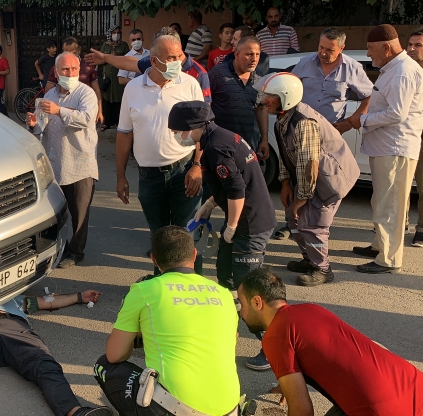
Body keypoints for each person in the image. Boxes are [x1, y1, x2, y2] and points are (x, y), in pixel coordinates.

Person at [171, 100, 275, 372]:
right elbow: (226, 186)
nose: (177, 136)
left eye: (178, 131)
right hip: (244, 220)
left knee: (248, 288)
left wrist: (231, 225)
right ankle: (229, 331)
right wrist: (208, 206)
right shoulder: (219, 138)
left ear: (193, 127)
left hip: (250, 225)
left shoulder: (216, 146)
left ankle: (272, 346)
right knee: (226, 277)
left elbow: (237, 188)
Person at [93, 226, 241, 416]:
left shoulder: (144, 290)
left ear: (154, 259)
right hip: (229, 409)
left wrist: (139, 337)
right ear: (194, 255)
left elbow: (115, 355)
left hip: (177, 410)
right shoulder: (224, 294)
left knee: (103, 366)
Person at [237, 267, 423, 416]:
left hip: (379, 409)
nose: (241, 313)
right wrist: (289, 384)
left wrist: (294, 392)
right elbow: (329, 352)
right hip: (412, 385)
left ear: (257, 302)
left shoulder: (274, 336)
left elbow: (302, 411)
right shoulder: (311, 309)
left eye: (242, 304)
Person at [0, 290, 112, 416]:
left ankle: (76, 412)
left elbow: (46, 302)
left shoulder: (12, 296)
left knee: (45, 365)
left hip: (14, 327)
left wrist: (79, 296)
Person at [256, 72, 359, 286]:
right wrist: (285, 184)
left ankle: (323, 269)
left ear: (286, 97)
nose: (265, 100)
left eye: (270, 96)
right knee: (294, 218)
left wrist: (301, 199)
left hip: (329, 179)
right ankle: (309, 260)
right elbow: (286, 155)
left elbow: (309, 166)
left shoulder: (304, 123)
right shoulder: (283, 118)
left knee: (314, 223)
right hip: (310, 178)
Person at [115, 32, 205, 274]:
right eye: (172, 57)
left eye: (180, 56)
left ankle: (194, 291)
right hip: (149, 178)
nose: (179, 61)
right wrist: (120, 176)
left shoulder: (190, 84)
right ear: (154, 61)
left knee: (188, 236)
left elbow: (202, 130)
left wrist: (198, 166)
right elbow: (124, 134)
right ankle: (164, 289)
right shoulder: (133, 89)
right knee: (160, 239)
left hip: (185, 172)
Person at [347, 24, 423, 274]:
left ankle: (389, 259)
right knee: (382, 200)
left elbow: (397, 113)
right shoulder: (394, 67)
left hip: (395, 147)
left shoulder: (402, 71)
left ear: (387, 48)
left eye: (371, 49)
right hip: (386, 147)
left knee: (390, 204)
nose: (369, 54)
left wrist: (364, 120)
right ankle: (380, 244)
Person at [27, 52, 98, 268]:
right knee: (55, 212)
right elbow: (40, 128)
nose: (70, 73)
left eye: (74, 69)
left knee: (80, 212)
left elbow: (86, 119)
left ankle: (75, 252)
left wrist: (60, 111)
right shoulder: (48, 96)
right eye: (65, 70)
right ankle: (55, 248)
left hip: (80, 164)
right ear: (56, 73)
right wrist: (33, 123)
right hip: (55, 163)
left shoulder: (86, 94)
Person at [84, 27, 212, 105]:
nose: (157, 59)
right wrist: (105, 57)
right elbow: (130, 63)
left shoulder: (199, 74)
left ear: (177, 46)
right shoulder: (155, 63)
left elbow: (204, 112)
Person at [291, 27, 374, 130]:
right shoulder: (305, 63)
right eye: (321, 47)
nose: (323, 53)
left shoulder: (352, 68)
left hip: (331, 131)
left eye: (330, 50)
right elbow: (288, 88)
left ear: (341, 48)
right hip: (301, 128)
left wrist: (351, 121)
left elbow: (371, 96)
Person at [208, 36, 270, 155]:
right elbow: (205, 105)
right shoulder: (217, 74)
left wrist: (264, 140)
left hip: (249, 147)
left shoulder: (260, 79)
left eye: (257, 54)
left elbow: (261, 108)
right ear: (237, 54)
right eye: (249, 54)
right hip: (221, 146)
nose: (254, 59)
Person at [46, 37, 104, 125]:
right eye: (66, 52)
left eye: (73, 53)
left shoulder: (88, 66)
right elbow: (49, 90)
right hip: (61, 114)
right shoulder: (57, 68)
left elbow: (96, 89)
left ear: (79, 51)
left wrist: (100, 110)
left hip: (85, 108)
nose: (70, 74)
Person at [406, 28, 423, 247]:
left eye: (417, 45)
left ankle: (422, 229)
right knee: (400, 185)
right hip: (405, 134)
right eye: (409, 44)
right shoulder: (404, 70)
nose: (411, 49)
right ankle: (399, 225)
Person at [99, 26, 129, 131]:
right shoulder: (105, 46)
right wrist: (108, 58)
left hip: (119, 78)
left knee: (119, 100)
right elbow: (100, 59)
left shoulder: (123, 45)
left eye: (118, 32)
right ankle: (106, 123)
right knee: (107, 100)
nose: (116, 34)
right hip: (107, 78)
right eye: (114, 32)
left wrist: (116, 58)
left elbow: (127, 59)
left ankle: (118, 122)